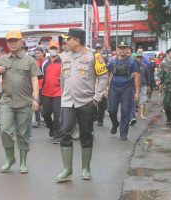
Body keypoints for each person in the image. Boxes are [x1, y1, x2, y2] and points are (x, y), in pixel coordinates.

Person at [56, 28, 108, 182]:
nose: (65, 42)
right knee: (65, 132)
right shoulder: (64, 56)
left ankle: (86, 168)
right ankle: (67, 169)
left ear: (77, 40)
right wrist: (64, 95)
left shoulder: (94, 56)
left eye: (68, 39)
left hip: (86, 102)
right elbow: (63, 79)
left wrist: (97, 98)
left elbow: (104, 76)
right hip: (67, 102)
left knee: (86, 135)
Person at [0, 30, 41, 174]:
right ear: (7, 43)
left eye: (15, 40)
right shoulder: (2, 59)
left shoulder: (29, 60)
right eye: (10, 41)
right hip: (7, 101)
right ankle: (10, 158)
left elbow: (34, 80)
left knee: (22, 133)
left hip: (25, 102)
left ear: (21, 42)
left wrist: (36, 98)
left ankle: (23, 162)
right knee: (5, 130)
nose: (12, 43)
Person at [107, 42, 140, 140]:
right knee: (111, 110)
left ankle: (123, 134)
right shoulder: (111, 61)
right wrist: (107, 88)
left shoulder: (132, 61)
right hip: (113, 88)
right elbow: (108, 74)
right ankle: (115, 124)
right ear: (117, 49)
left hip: (127, 88)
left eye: (124, 48)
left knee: (125, 111)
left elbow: (137, 76)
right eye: (120, 48)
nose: (122, 50)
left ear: (128, 50)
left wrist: (137, 92)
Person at [40, 40, 62, 143]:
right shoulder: (44, 63)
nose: (53, 50)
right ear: (48, 49)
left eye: (55, 48)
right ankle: (51, 127)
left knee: (58, 114)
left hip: (59, 92)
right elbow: (40, 78)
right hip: (46, 93)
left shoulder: (63, 62)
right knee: (45, 114)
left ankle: (57, 135)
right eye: (51, 48)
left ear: (58, 49)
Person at [160, 46, 171, 127]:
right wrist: (159, 82)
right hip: (167, 86)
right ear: (168, 53)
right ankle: (168, 119)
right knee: (166, 105)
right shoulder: (164, 62)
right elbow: (161, 73)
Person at [32, 46, 46, 128]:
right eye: (36, 53)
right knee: (36, 101)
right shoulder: (35, 62)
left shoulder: (47, 61)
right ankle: (38, 120)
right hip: (37, 86)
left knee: (45, 105)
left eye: (38, 53)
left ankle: (45, 118)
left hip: (46, 86)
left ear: (43, 53)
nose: (37, 55)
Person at [94, 43, 108, 126]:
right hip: (94, 83)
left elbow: (108, 74)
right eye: (96, 48)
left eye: (99, 48)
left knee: (102, 103)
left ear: (101, 50)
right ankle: (94, 116)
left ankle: (100, 120)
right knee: (93, 103)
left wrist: (107, 87)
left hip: (102, 82)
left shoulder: (105, 59)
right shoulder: (92, 58)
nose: (98, 50)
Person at [135, 52, 150, 120]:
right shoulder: (133, 65)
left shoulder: (145, 66)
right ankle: (133, 113)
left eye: (140, 57)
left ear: (142, 58)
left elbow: (147, 76)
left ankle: (141, 114)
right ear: (135, 58)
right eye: (138, 57)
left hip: (143, 85)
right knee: (135, 100)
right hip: (134, 86)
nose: (139, 59)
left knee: (143, 100)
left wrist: (148, 85)